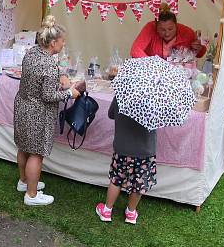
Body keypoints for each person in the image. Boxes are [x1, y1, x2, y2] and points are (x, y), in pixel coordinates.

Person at [14, 16, 83, 206]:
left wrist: (59, 77)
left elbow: (38, 83)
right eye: (62, 41)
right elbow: (48, 96)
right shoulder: (49, 65)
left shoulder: (32, 52)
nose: (63, 44)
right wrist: (70, 92)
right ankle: (32, 195)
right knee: (36, 153)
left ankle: (24, 181)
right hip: (38, 112)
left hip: (23, 105)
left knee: (23, 146)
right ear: (53, 43)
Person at [95, 97, 157, 225]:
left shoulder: (122, 94)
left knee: (116, 179)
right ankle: (131, 212)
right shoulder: (156, 99)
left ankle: (107, 210)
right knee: (139, 182)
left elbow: (111, 114)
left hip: (123, 147)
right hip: (145, 150)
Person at [130, 3, 206, 59]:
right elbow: (135, 50)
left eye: (170, 29)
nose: (167, 33)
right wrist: (154, 65)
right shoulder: (150, 27)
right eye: (162, 30)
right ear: (156, 26)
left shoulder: (186, 32)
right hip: (152, 71)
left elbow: (200, 54)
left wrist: (199, 48)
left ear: (176, 25)